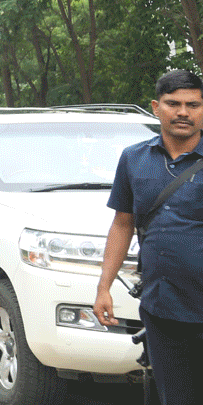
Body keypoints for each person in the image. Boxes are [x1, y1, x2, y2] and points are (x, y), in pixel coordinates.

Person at [95, 69, 203, 405]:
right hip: (163, 306)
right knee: (175, 396)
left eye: (193, 104)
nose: (183, 112)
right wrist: (104, 287)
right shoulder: (134, 159)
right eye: (173, 103)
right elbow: (122, 224)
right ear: (156, 107)